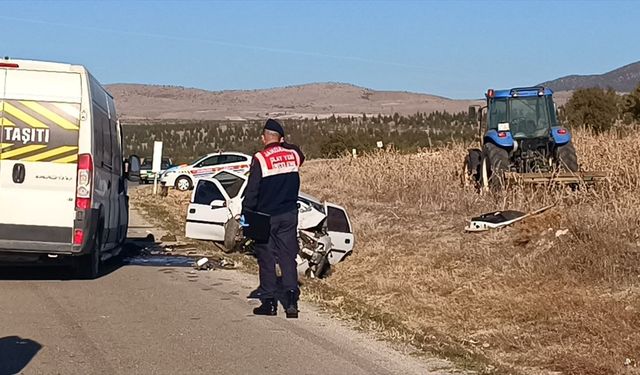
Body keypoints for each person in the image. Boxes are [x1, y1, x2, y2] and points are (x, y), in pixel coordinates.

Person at [241, 118, 304, 318]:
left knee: (267, 259)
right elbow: (299, 151)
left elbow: (253, 189)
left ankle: (268, 303)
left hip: (266, 217)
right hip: (289, 214)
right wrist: (282, 143)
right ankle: (291, 301)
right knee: (288, 257)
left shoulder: (260, 158)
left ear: (263, 138)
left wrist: (246, 213)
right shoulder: (293, 154)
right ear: (281, 138)